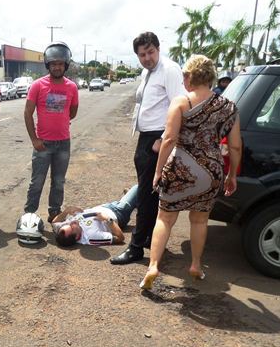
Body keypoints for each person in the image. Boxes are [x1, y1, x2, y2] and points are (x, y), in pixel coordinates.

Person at [139, 55, 242, 290]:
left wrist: (157, 172)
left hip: (180, 168)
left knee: (165, 218)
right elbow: (235, 146)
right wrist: (231, 175)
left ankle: (153, 265)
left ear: (189, 77)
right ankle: (195, 264)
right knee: (199, 220)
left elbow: (169, 139)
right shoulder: (229, 107)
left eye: (184, 76)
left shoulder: (181, 102)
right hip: (211, 171)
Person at [110, 32, 186, 265]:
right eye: (142, 54)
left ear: (158, 48)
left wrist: (163, 137)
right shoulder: (147, 72)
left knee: (145, 195)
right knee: (150, 195)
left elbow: (181, 106)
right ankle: (148, 240)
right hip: (146, 138)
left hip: (157, 140)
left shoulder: (170, 70)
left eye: (150, 52)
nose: (147, 58)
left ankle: (135, 248)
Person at [24, 42, 79, 223]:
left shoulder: (71, 87)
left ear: (66, 65)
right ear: (48, 64)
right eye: (53, 63)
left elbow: (72, 111)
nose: (57, 67)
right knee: (37, 182)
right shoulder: (38, 85)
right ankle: (30, 214)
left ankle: (54, 213)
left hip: (63, 143)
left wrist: (60, 123)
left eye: (60, 64)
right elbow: (27, 113)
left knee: (58, 182)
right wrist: (34, 139)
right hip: (43, 143)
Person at [51, 185, 138, 247]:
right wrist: (108, 220)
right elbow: (120, 238)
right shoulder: (91, 237)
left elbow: (54, 222)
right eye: (72, 227)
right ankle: (136, 198)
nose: (72, 223)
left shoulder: (64, 230)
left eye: (68, 224)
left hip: (105, 206)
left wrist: (66, 212)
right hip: (118, 213)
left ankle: (134, 198)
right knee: (138, 187)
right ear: (77, 237)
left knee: (135, 194)